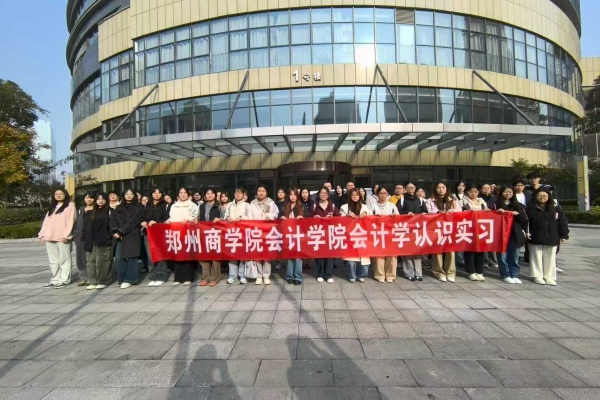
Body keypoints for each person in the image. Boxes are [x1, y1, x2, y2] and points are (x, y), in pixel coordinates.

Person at [527, 190, 569, 286]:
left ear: (549, 196)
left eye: (545, 195)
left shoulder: (555, 208)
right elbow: (526, 222)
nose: (542, 197)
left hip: (552, 237)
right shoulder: (530, 209)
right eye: (540, 195)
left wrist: (564, 235)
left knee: (550, 258)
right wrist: (527, 233)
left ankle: (549, 276)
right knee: (535, 257)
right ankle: (537, 276)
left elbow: (562, 222)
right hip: (535, 237)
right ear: (535, 197)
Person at [39, 189, 76, 289]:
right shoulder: (52, 208)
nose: (58, 195)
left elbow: (71, 222)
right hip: (50, 237)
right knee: (53, 260)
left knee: (64, 259)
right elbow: (46, 222)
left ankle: (64, 279)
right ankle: (55, 279)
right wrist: (42, 234)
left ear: (65, 195)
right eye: (56, 194)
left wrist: (66, 235)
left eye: (61, 194)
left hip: (62, 238)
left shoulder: (70, 207)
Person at [426, 182, 462, 282]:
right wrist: (438, 213)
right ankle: (439, 272)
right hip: (436, 228)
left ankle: (450, 272)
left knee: (450, 250)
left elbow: (459, 210)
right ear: (435, 189)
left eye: (443, 187)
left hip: (449, 228)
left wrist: (451, 211)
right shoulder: (430, 200)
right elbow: (428, 211)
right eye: (438, 187)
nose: (441, 189)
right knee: (437, 250)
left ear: (446, 189)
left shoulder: (452, 200)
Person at [493, 186, 528, 284]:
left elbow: (524, 220)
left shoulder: (518, 205)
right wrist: (497, 213)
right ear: (501, 193)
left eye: (510, 192)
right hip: (500, 234)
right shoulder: (495, 204)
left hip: (514, 233)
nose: (508, 194)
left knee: (515, 256)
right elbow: (490, 217)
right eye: (505, 192)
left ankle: (514, 274)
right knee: (502, 256)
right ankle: (505, 274)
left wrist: (517, 214)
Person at [110, 189, 144, 289]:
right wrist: (115, 231)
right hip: (119, 235)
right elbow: (113, 219)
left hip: (132, 234)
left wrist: (121, 231)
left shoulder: (138, 207)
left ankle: (130, 279)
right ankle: (121, 278)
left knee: (132, 257)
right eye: (126, 194)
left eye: (131, 194)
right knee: (119, 258)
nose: (129, 196)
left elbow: (133, 221)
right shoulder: (119, 207)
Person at [165, 187, 199, 285]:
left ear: (188, 195)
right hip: (177, 233)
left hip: (188, 233)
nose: (183, 194)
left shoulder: (193, 205)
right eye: (181, 193)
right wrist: (168, 221)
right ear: (178, 195)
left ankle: (188, 277)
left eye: (185, 193)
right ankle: (178, 278)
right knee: (178, 254)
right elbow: (172, 217)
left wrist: (189, 219)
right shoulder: (174, 206)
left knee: (187, 254)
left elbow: (195, 217)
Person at [247, 185, 278, 284]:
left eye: (263, 191)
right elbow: (249, 217)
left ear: (266, 192)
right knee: (257, 254)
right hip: (256, 232)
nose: (261, 193)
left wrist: (270, 216)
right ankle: (259, 275)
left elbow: (276, 213)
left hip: (267, 232)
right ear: (257, 192)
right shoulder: (252, 204)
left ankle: (266, 275)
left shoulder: (271, 203)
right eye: (259, 191)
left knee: (266, 255)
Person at [367, 186, 399, 282]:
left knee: (392, 255)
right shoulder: (373, 206)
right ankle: (379, 275)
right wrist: (374, 217)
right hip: (377, 234)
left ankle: (390, 275)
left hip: (390, 234)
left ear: (388, 194)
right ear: (377, 195)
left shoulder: (392, 206)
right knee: (379, 255)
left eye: (385, 193)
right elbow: (368, 218)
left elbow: (398, 217)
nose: (383, 195)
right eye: (380, 193)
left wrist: (394, 216)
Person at [281, 188, 311, 285]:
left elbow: (309, 219)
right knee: (289, 256)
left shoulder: (302, 206)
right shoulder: (285, 206)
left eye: (294, 195)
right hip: (288, 235)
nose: (292, 197)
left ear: (297, 196)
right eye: (291, 195)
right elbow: (279, 217)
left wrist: (303, 218)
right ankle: (289, 276)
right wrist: (281, 217)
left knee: (298, 257)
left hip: (299, 235)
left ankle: (298, 277)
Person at [83, 192, 113, 290]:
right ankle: (93, 281)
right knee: (91, 261)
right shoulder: (90, 212)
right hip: (91, 240)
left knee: (103, 261)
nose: (100, 201)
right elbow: (85, 227)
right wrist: (84, 237)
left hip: (104, 240)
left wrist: (109, 237)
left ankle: (103, 280)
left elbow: (112, 226)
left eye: (103, 199)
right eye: (98, 199)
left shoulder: (110, 211)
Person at [340, 188, 370, 283]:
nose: (355, 197)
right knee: (351, 259)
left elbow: (370, 217)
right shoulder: (345, 207)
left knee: (363, 259)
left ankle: (361, 275)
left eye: (356, 195)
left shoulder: (365, 207)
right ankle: (352, 275)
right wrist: (347, 216)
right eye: (353, 195)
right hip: (350, 236)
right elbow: (340, 219)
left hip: (362, 235)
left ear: (360, 196)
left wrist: (366, 214)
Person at [399, 182, 428, 281]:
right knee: (407, 251)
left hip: (418, 229)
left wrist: (424, 213)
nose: (411, 189)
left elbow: (425, 211)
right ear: (405, 189)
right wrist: (406, 213)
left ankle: (418, 273)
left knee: (417, 251)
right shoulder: (401, 199)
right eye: (408, 187)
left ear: (415, 188)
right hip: (406, 229)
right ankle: (409, 273)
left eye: (412, 187)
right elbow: (398, 212)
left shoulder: (420, 200)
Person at [312, 187, 340, 283]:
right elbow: (308, 218)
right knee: (319, 254)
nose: (323, 195)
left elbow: (339, 218)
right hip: (318, 234)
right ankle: (320, 274)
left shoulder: (332, 206)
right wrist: (314, 217)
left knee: (329, 255)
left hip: (330, 233)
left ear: (328, 195)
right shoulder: (314, 205)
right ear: (318, 194)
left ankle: (328, 275)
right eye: (321, 193)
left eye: (325, 193)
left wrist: (332, 218)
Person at [461, 185, 489, 282]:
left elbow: (487, 212)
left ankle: (479, 272)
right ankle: (471, 272)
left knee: (480, 249)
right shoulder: (463, 201)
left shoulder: (481, 201)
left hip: (480, 228)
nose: (473, 194)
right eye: (471, 192)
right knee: (469, 250)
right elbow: (459, 213)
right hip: (468, 228)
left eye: (475, 192)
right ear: (467, 192)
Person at [144, 188, 169, 286]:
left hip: (160, 233)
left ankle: (161, 276)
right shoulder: (147, 205)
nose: (156, 194)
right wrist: (144, 222)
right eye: (154, 193)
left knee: (160, 254)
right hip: (148, 233)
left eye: (159, 193)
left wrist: (156, 222)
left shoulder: (165, 205)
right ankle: (153, 276)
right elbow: (142, 217)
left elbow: (167, 219)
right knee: (150, 255)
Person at [224, 187, 250, 284]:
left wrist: (242, 217)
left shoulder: (247, 205)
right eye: (236, 193)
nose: (238, 195)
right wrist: (228, 217)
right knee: (232, 253)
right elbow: (225, 215)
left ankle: (242, 274)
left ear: (243, 195)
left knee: (242, 254)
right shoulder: (230, 205)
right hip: (231, 232)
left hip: (243, 232)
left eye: (240, 193)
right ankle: (232, 275)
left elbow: (250, 217)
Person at [199, 189, 222, 287]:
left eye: (212, 193)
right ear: (205, 196)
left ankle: (214, 278)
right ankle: (205, 278)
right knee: (204, 256)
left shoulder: (219, 206)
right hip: (203, 233)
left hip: (215, 233)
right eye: (207, 194)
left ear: (215, 195)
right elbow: (198, 217)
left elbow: (224, 218)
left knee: (215, 256)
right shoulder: (201, 206)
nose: (210, 195)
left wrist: (220, 219)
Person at [73, 192, 95, 287]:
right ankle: (83, 278)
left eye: (91, 198)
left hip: (91, 237)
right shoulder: (81, 209)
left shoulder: (96, 209)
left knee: (90, 257)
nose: (89, 199)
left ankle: (91, 277)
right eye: (87, 197)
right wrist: (75, 235)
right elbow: (76, 222)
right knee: (80, 257)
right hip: (80, 237)